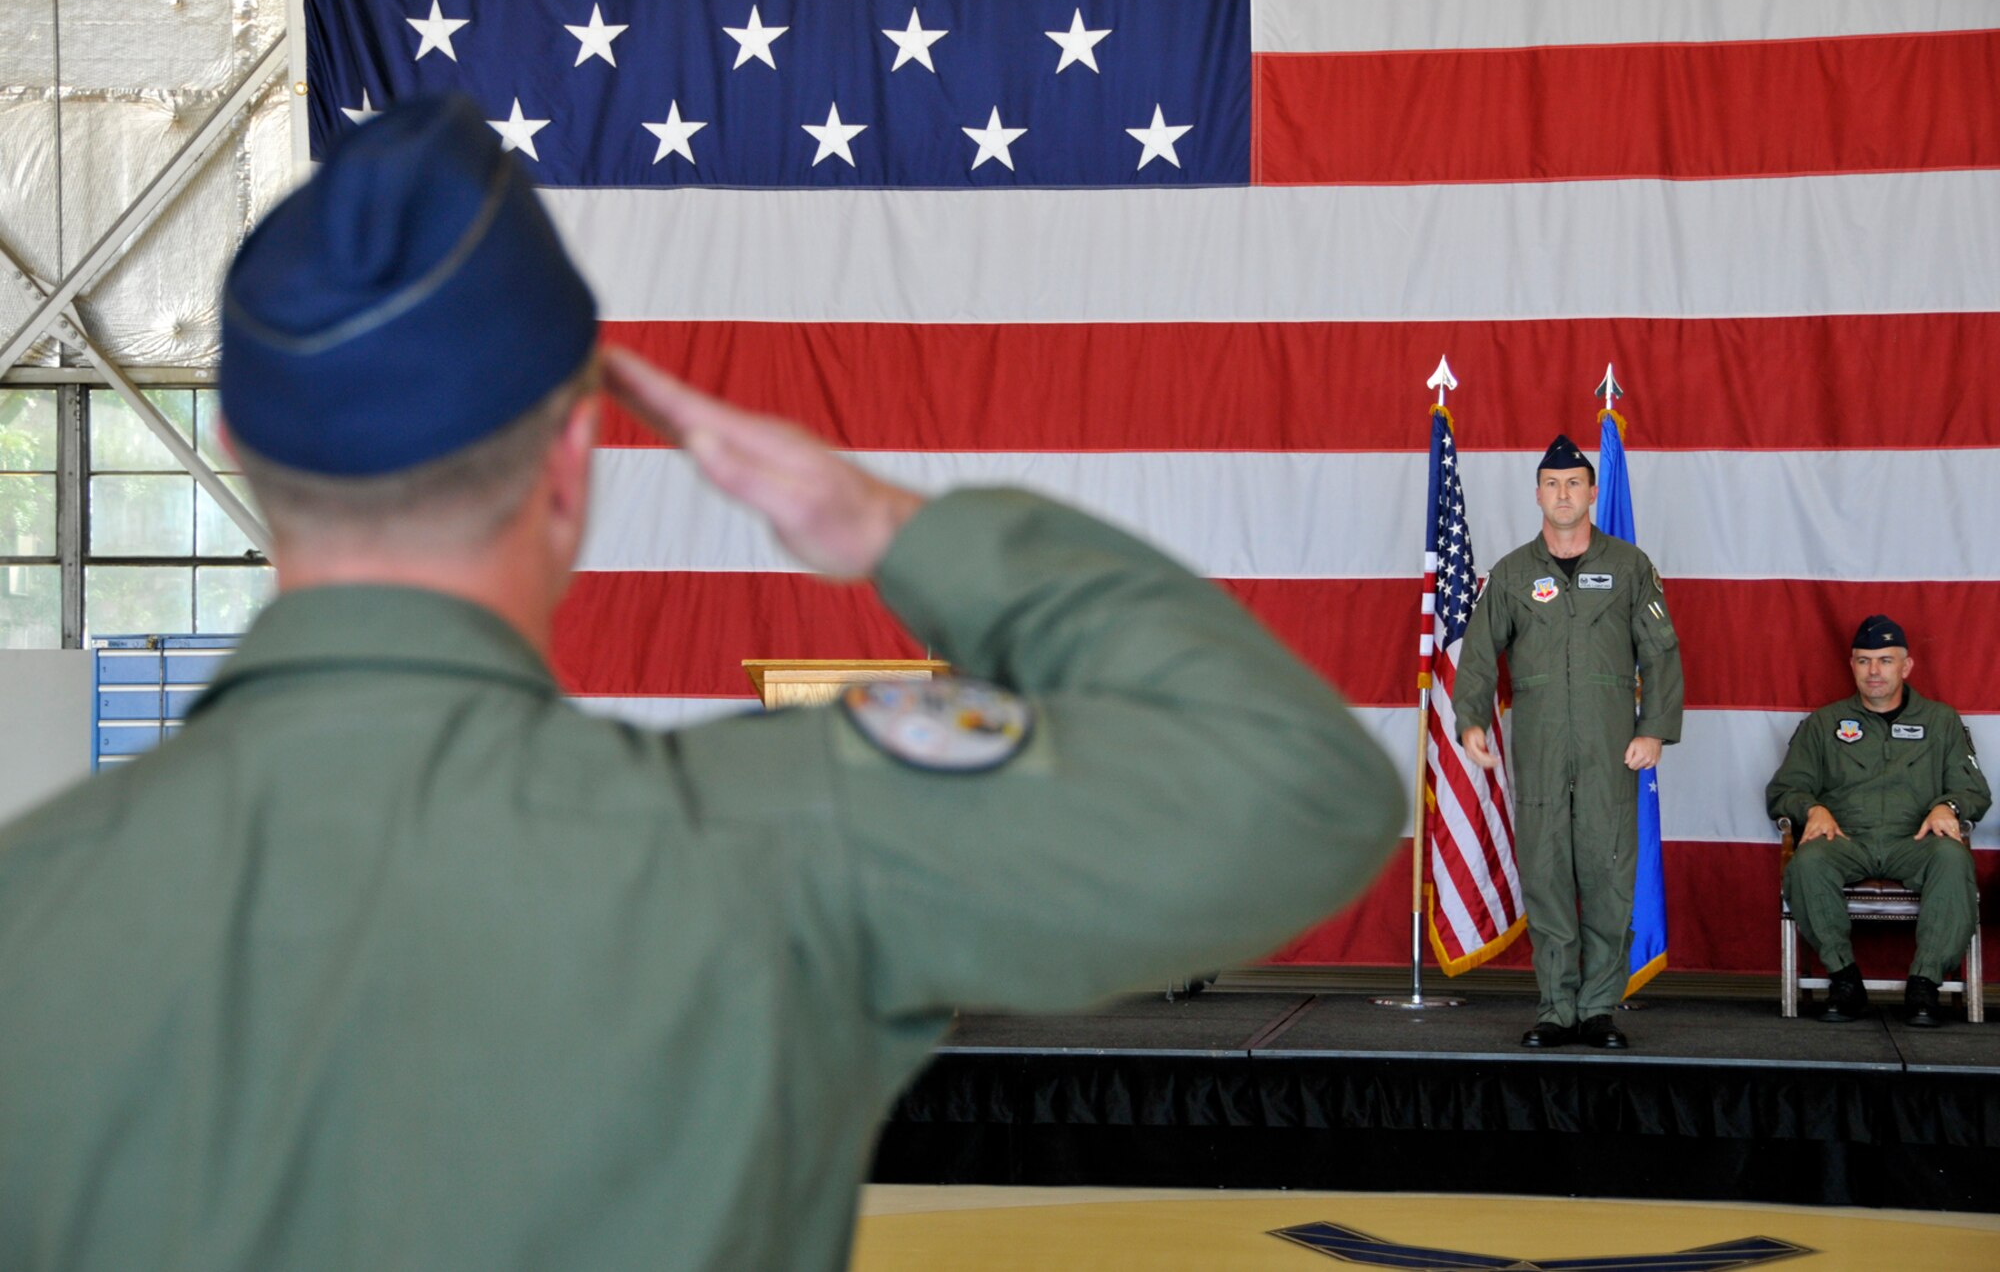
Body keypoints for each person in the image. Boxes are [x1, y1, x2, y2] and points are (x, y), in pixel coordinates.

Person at [0, 96, 1404, 1270]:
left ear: (238, 444)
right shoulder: (775, 843)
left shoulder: (34, 908)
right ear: (569, 462)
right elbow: (1302, 785)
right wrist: (891, 527)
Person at [1454, 436, 1684, 1050]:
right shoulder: (1512, 574)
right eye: (1552, 485)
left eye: (1574, 483)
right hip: (1540, 747)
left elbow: (1661, 654)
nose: (1563, 495)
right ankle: (1557, 1008)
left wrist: (1654, 728)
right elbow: (1477, 655)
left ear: (1591, 492)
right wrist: (1471, 719)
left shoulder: (1631, 567)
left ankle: (1600, 1007)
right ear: (1537, 495)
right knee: (1548, 873)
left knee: (1608, 876)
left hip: (1612, 747)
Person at [1765, 615, 1989, 1027]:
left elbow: (1975, 791)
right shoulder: (1823, 724)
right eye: (1864, 660)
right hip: (1846, 839)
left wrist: (1949, 807)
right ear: (1851, 664)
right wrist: (1811, 809)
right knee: (1808, 863)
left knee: (1953, 861)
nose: (1874, 671)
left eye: (1885, 660)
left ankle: (1925, 984)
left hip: (1916, 841)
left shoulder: (1940, 722)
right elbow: (1783, 790)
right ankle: (1845, 980)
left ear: (1906, 667)